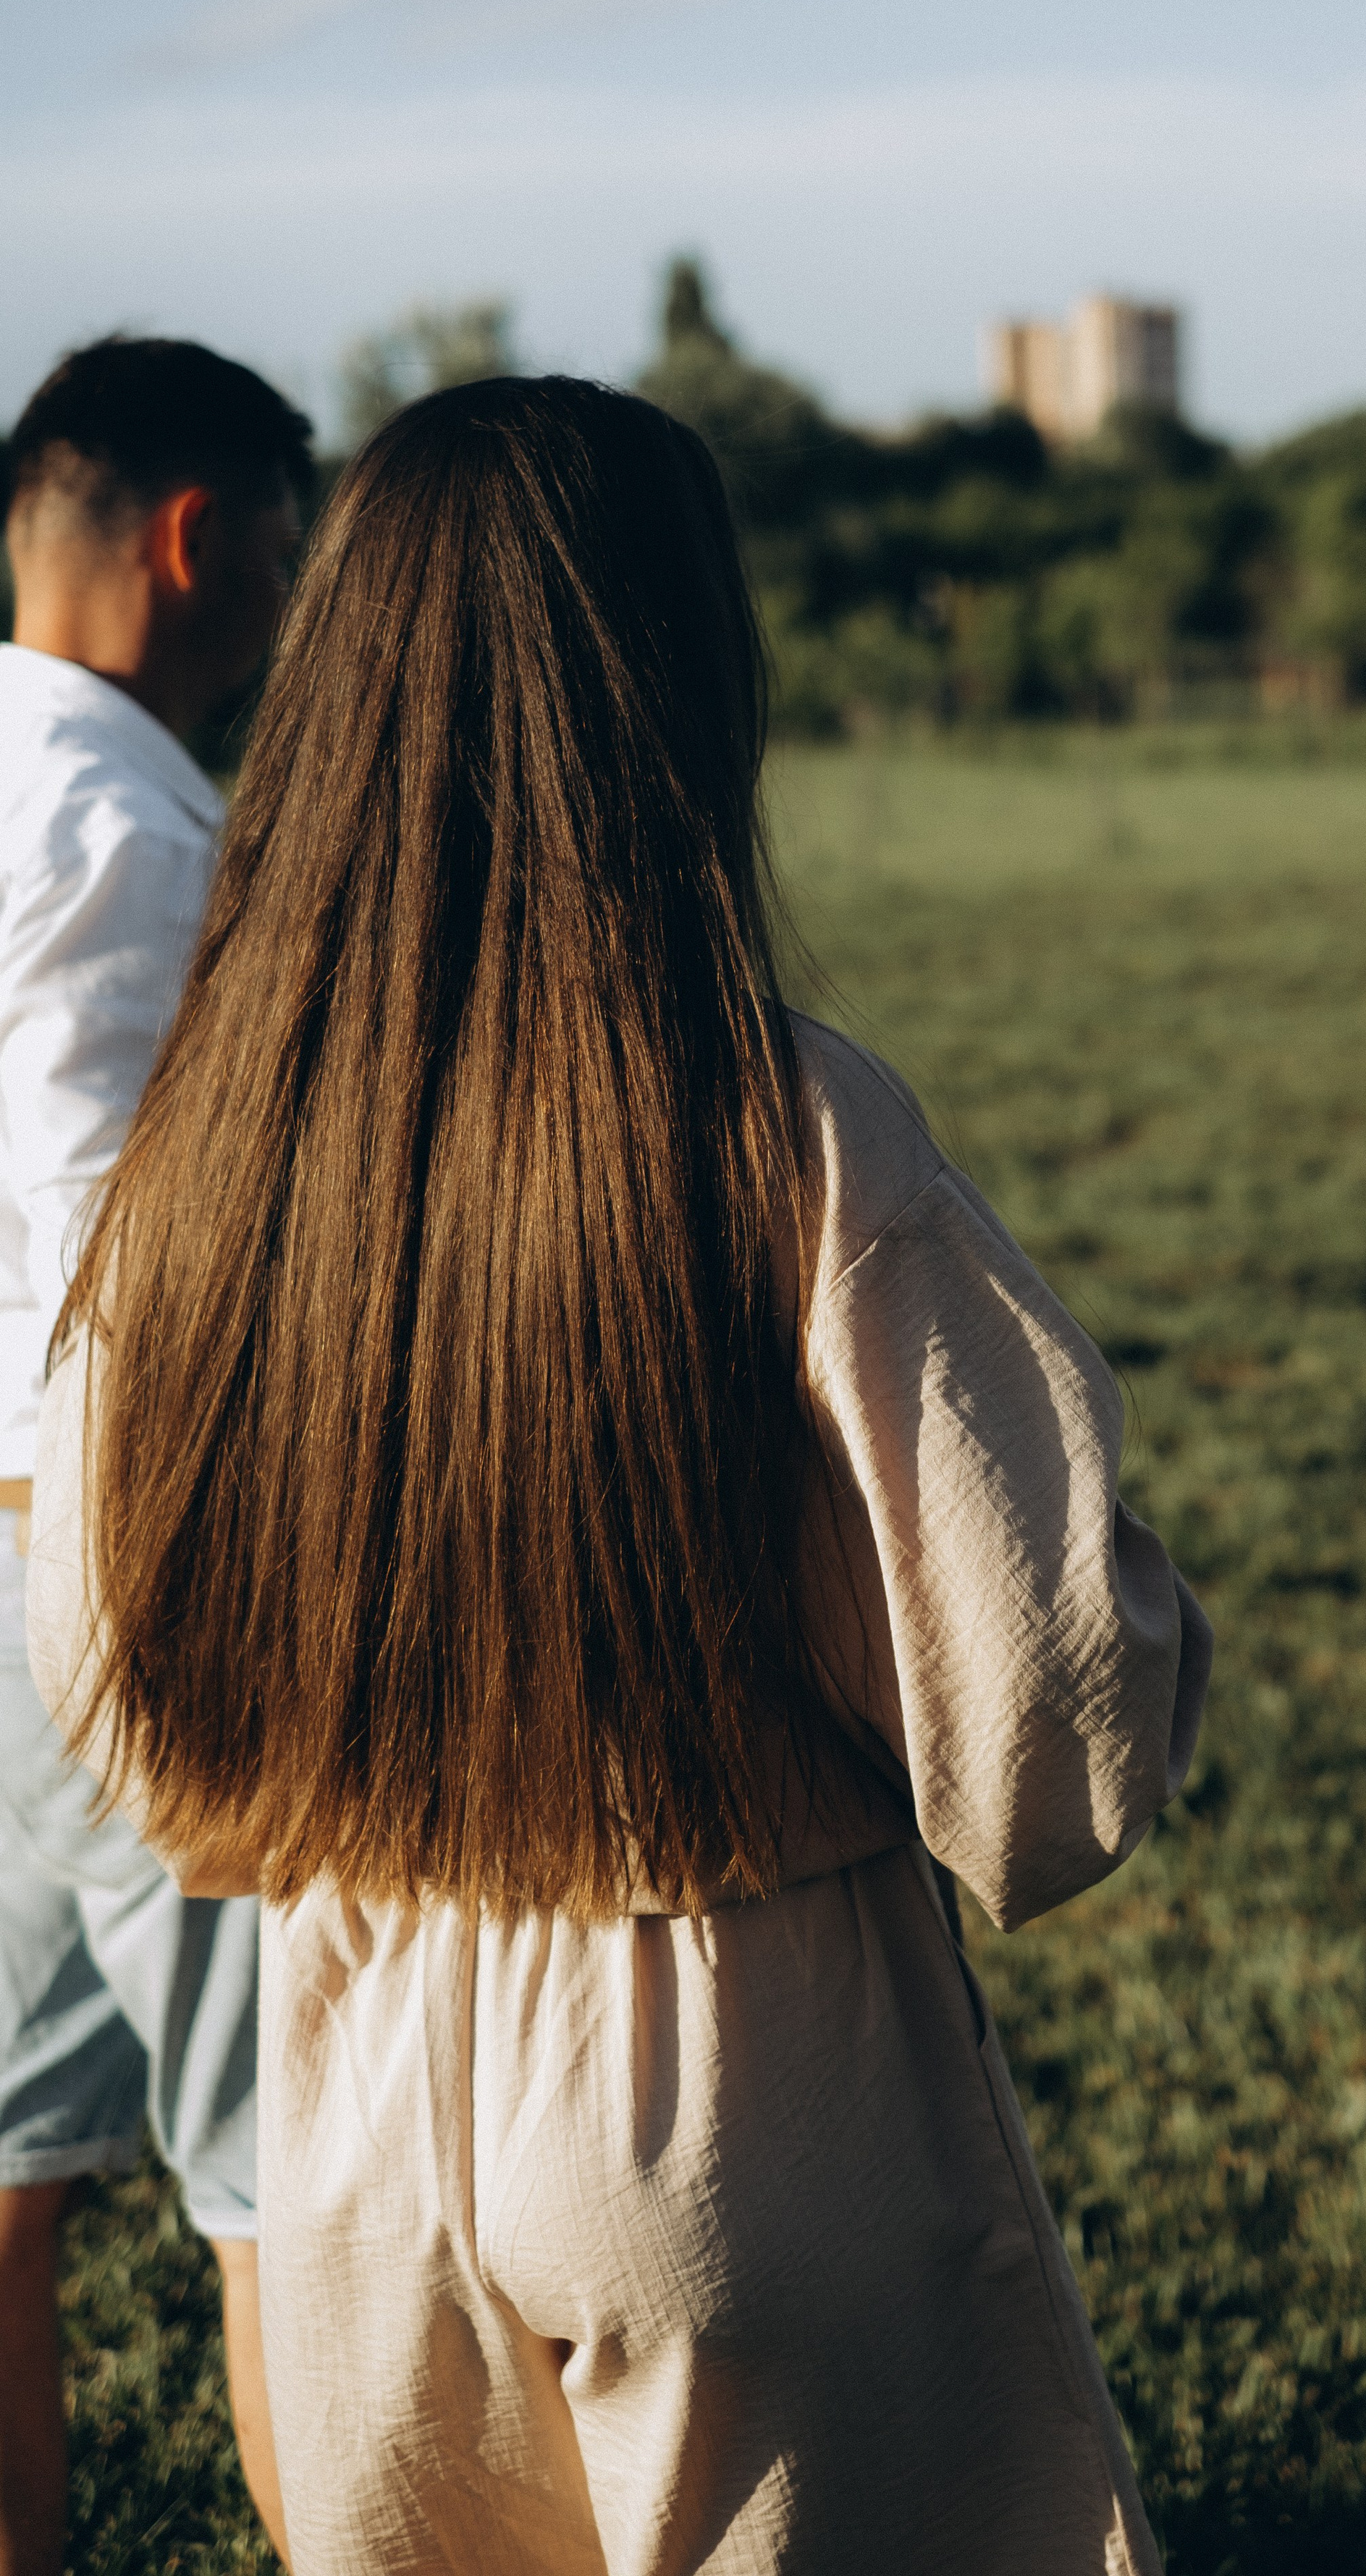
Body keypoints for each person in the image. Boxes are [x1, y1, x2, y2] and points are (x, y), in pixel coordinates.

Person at [26, 377, 1212, 2576]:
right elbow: (1046, 1699)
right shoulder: (783, 1122)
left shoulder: (196, 1150)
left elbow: (112, 1662)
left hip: (362, 2095)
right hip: (750, 2057)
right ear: (683, 679)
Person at [0, 335, 309, 2572]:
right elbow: (117, 1239)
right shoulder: (119, 821)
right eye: (287, 557)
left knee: (7, 2161)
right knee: (283, 2186)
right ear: (198, 540)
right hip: (113, 1561)